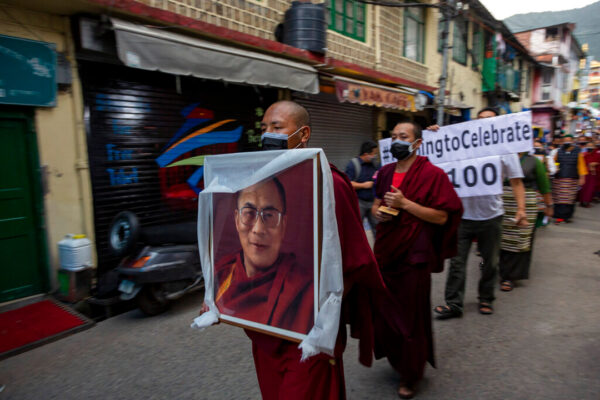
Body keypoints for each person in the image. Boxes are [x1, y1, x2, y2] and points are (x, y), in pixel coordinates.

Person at [203, 100, 385, 400]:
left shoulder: (331, 184)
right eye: (264, 128)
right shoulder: (255, 181)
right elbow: (240, 248)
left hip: (307, 330)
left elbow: (353, 260)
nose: (267, 134)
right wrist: (220, 295)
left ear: (303, 134)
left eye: (277, 127)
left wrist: (322, 316)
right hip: (264, 325)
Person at [370, 121, 463, 399]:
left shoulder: (433, 175)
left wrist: (405, 204)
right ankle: (397, 358)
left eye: (404, 136)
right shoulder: (385, 172)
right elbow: (377, 203)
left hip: (414, 254)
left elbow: (443, 216)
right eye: (394, 136)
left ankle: (411, 373)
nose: (397, 140)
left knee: (411, 316)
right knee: (386, 311)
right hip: (387, 251)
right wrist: (379, 213)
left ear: (418, 143)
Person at [432, 107, 527, 318]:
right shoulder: (459, 145)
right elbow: (436, 157)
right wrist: (434, 136)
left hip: (491, 217)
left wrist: (521, 209)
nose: (484, 122)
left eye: (490, 120)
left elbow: (516, 181)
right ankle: (453, 304)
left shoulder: (505, 148)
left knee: (488, 262)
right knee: (457, 262)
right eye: (481, 119)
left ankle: (486, 298)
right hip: (462, 217)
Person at [214, 177, 313, 334]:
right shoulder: (221, 276)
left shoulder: (304, 289)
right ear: (236, 220)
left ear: (283, 226)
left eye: (269, 215)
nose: (258, 229)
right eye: (249, 213)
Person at [498, 150, 552, 291]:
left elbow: (544, 184)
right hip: (501, 201)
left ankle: (509, 276)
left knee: (519, 239)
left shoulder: (534, 161)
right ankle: (498, 267)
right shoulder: (500, 157)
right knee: (501, 237)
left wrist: (549, 205)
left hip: (525, 202)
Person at [553, 135, 588, 223]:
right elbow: (553, 162)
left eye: (568, 140)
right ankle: (559, 215)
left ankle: (566, 216)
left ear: (572, 141)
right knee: (559, 198)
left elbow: (581, 166)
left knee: (568, 198)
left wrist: (582, 178)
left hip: (572, 178)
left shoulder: (577, 152)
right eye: (565, 140)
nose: (566, 142)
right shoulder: (559, 151)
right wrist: (554, 168)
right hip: (559, 178)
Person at [345, 141, 379, 229]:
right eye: (373, 154)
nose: (375, 156)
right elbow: (347, 184)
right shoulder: (353, 164)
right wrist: (364, 185)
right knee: (356, 227)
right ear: (366, 154)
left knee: (377, 227)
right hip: (359, 202)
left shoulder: (375, 165)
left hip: (373, 202)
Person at [580, 142, 599, 207]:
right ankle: (582, 201)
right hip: (585, 173)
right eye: (588, 145)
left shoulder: (597, 154)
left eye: (591, 146)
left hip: (593, 174)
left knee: (590, 189)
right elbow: (581, 163)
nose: (590, 147)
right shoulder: (584, 154)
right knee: (583, 188)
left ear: (594, 147)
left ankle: (587, 202)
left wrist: (595, 163)